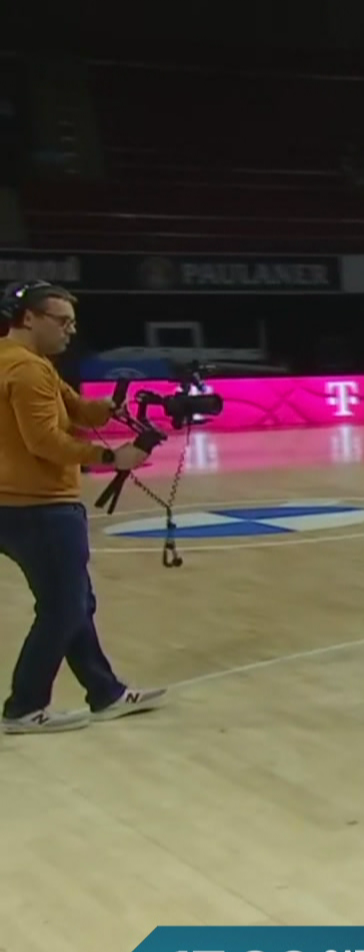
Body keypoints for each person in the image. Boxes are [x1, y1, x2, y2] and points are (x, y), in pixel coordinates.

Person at [0, 281, 168, 734]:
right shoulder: (30, 372)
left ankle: (105, 692)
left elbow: (74, 410)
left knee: (74, 601)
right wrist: (112, 457)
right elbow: (44, 441)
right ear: (29, 318)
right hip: (39, 506)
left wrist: (113, 406)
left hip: (11, 504)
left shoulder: (21, 363)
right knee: (63, 606)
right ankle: (24, 707)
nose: (71, 331)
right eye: (62, 321)